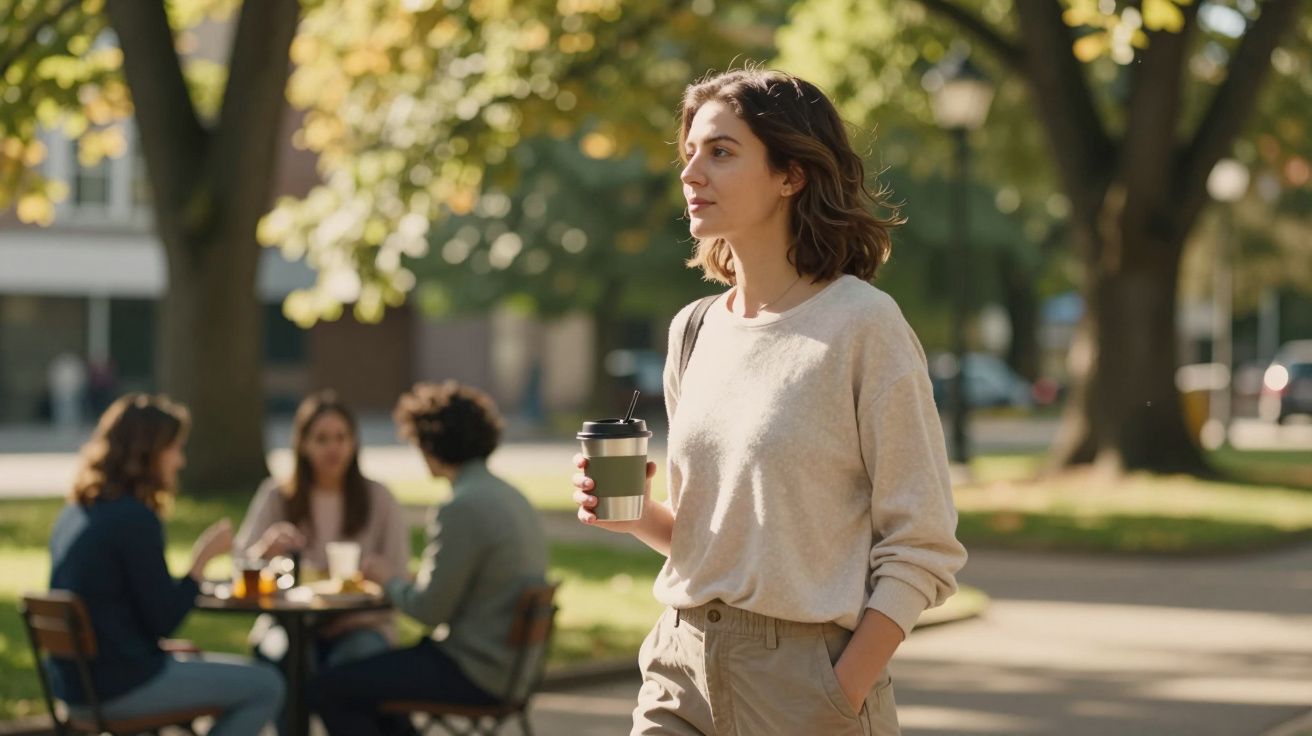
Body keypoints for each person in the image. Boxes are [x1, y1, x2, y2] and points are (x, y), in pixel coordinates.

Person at [570, 67, 968, 736]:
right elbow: (715, 541)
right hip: (680, 664)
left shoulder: (863, 324)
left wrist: (839, 691)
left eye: (721, 152)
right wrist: (636, 515)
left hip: (804, 684)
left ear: (792, 174)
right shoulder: (693, 329)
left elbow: (923, 544)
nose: (691, 173)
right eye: (690, 152)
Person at [311, 381, 549, 735]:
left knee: (328, 688)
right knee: (369, 684)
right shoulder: (511, 496)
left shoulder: (461, 506)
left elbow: (428, 611)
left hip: (474, 670)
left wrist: (388, 579)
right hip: (511, 670)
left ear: (432, 444)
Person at [47, 393, 283, 734]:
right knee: (266, 684)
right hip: (121, 686)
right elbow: (164, 618)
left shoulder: (76, 513)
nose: (180, 461)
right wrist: (201, 562)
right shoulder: (134, 519)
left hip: (76, 688)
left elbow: (111, 610)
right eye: (175, 448)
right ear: (148, 453)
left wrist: (157, 649)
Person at [234, 391, 409, 675]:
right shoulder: (277, 495)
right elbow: (240, 566)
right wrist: (265, 550)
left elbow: (398, 577)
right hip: (288, 622)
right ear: (303, 444)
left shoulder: (379, 498)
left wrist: (354, 613)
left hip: (362, 624)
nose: (333, 448)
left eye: (341, 438)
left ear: (354, 442)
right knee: (285, 657)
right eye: (322, 439)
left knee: (350, 662)